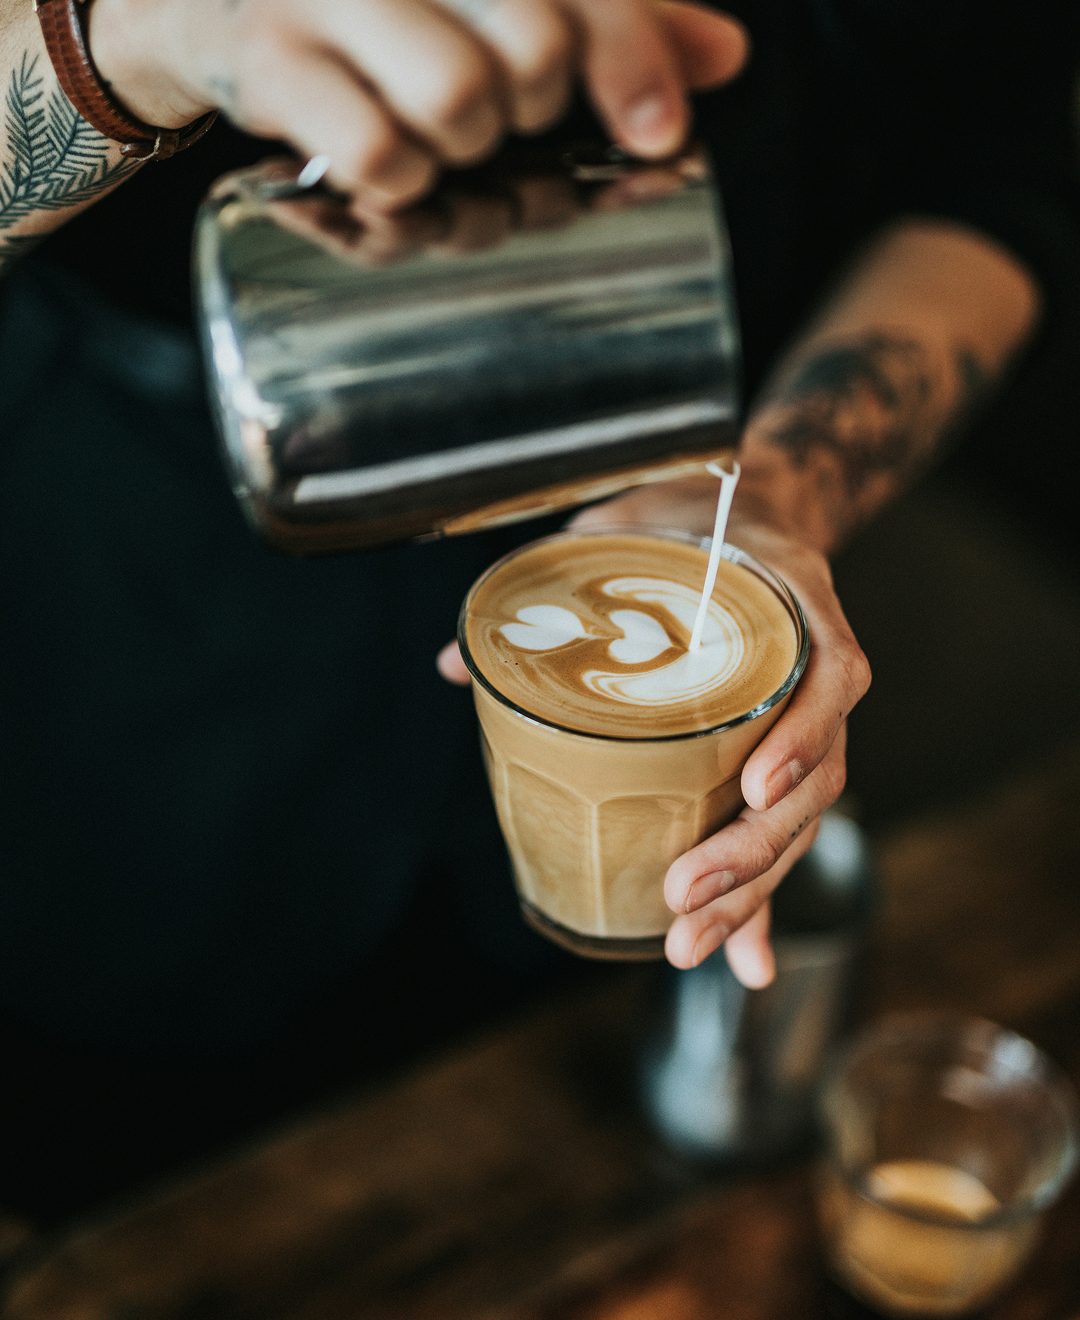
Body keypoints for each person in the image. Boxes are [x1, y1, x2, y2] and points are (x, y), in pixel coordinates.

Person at [0, 0, 1076, 1224]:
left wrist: (777, 493)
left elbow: (1006, 166)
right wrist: (136, 42)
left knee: (539, 1172)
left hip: (657, 508)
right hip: (134, 641)